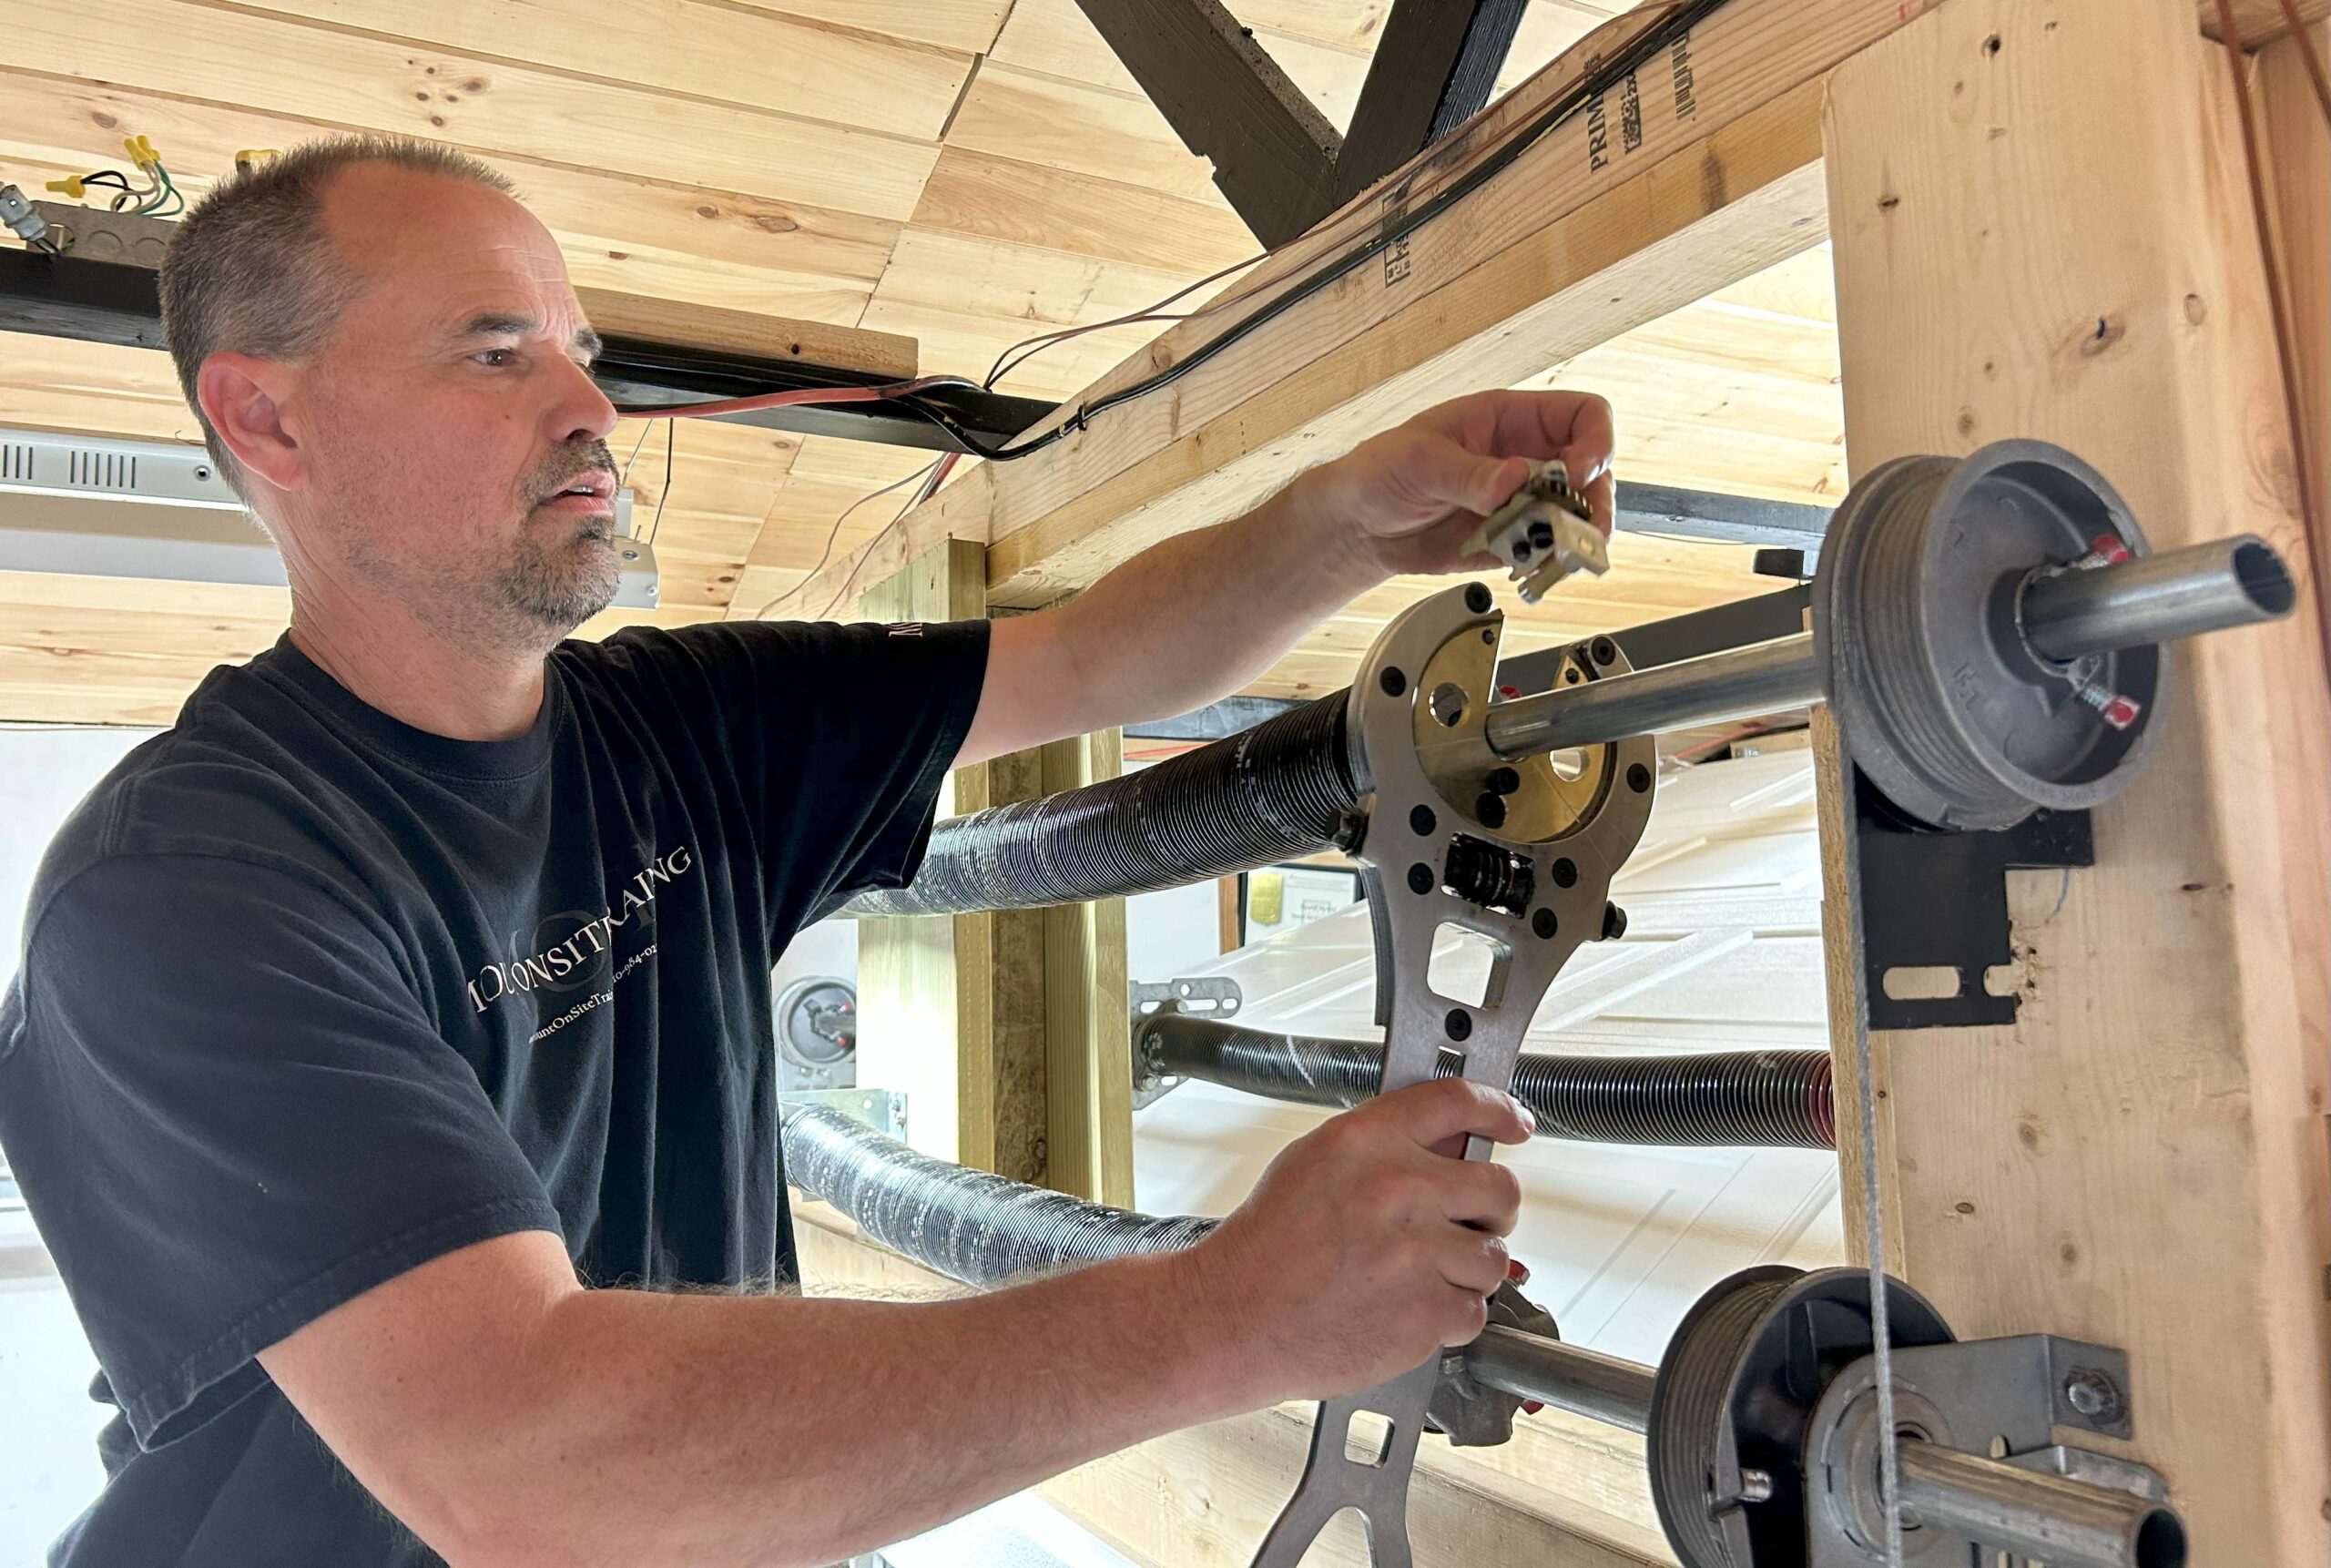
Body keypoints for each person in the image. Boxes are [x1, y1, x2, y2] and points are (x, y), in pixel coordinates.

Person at [0, 135, 1617, 1567]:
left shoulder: (683, 730)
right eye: (497, 354)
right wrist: (1228, 1310)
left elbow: (1093, 657)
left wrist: (1342, 518)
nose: (589, 406)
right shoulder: (185, 888)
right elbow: (524, 1463)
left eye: (576, 348)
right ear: (265, 420)